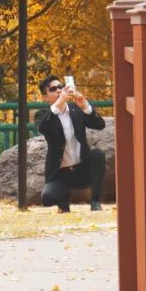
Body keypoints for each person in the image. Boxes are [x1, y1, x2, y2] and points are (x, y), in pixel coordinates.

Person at [35, 76, 107, 212]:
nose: (59, 91)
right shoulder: (43, 114)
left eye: (60, 87)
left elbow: (100, 125)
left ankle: (95, 201)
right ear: (45, 97)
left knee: (98, 154)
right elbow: (42, 128)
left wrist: (85, 105)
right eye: (53, 89)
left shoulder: (76, 109)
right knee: (47, 198)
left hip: (82, 170)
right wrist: (60, 102)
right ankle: (63, 200)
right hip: (61, 174)